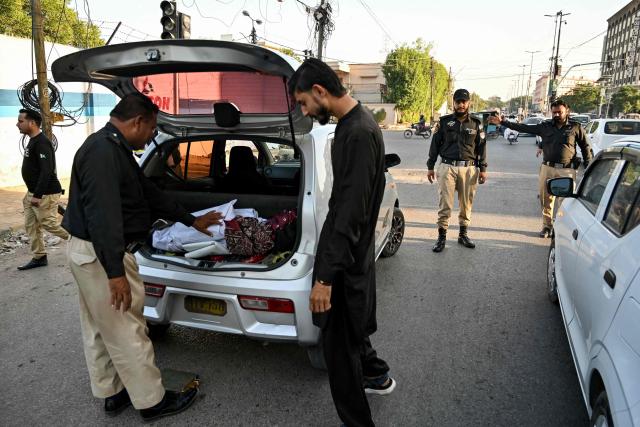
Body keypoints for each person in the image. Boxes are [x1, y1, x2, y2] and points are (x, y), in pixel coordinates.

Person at [62, 93, 223, 421]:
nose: (152, 136)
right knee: (126, 329)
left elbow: (147, 192)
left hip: (92, 253)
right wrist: (115, 273)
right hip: (102, 255)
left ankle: (113, 392)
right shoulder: (102, 152)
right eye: (151, 129)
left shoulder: (114, 148)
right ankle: (152, 401)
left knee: (99, 326)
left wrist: (192, 220)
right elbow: (103, 217)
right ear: (137, 122)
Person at [289, 58, 395, 427]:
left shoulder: (358, 133)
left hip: (345, 268)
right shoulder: (353, 126)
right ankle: (377, 375)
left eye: (303, 102)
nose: (304, 110)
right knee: (352, 337)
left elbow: (350, 214)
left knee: (338, 356)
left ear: (320, 91)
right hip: (348, 261)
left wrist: (325, 280)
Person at [489, 99, 592, 237]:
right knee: (546, 199)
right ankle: (547, 226)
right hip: (547, 168)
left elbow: (585, 147)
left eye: (559, 112)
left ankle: (560, 229)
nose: (556, 115)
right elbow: (523, 128)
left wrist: (589, 167)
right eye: (554, 112)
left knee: (564, 202)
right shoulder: (545, 126)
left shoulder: (575, 127)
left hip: (566, 170)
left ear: (566, 111)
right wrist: (502, 122)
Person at [427, 89, 488, 253]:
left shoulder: (476, 123)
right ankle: (441, 238)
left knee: (466, 204)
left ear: (468, 103)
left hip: (469, 169)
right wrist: (430, 166)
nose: (461, 104)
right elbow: (435, 145)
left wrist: (483, 169)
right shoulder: (444, 122)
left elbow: (482, 148)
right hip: (447, 167)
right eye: (458, 101)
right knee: (445, 203)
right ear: (453, 103)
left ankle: (463, 234)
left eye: (464, 102)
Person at [16, 108, 69, 270]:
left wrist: (38, 195)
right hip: (32, 193)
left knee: (49, 224)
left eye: (21, 121)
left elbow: (47, 170)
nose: (17, 124)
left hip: (45, 193)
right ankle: (39, 256)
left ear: (32, 123)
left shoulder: (42, 142)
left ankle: (85, 241)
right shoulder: (32, 140)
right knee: (31, 225)